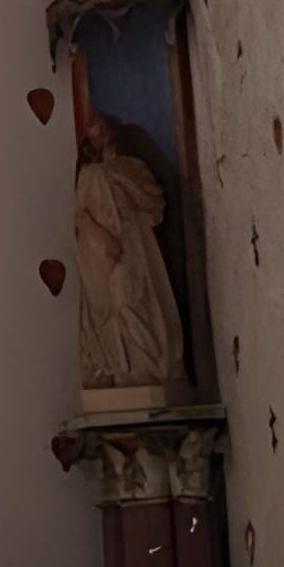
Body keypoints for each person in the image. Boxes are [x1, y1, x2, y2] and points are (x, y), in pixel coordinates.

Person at [72, 118, 185, 393]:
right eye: (92, 134)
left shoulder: (110, 173)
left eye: (100, 131)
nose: (96, 138)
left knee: (133, 304)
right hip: (114, 253)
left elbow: (152, 204)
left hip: (128, 250)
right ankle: (135, 369)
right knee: (125, 306)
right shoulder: (98, 175)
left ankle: (142, 369)